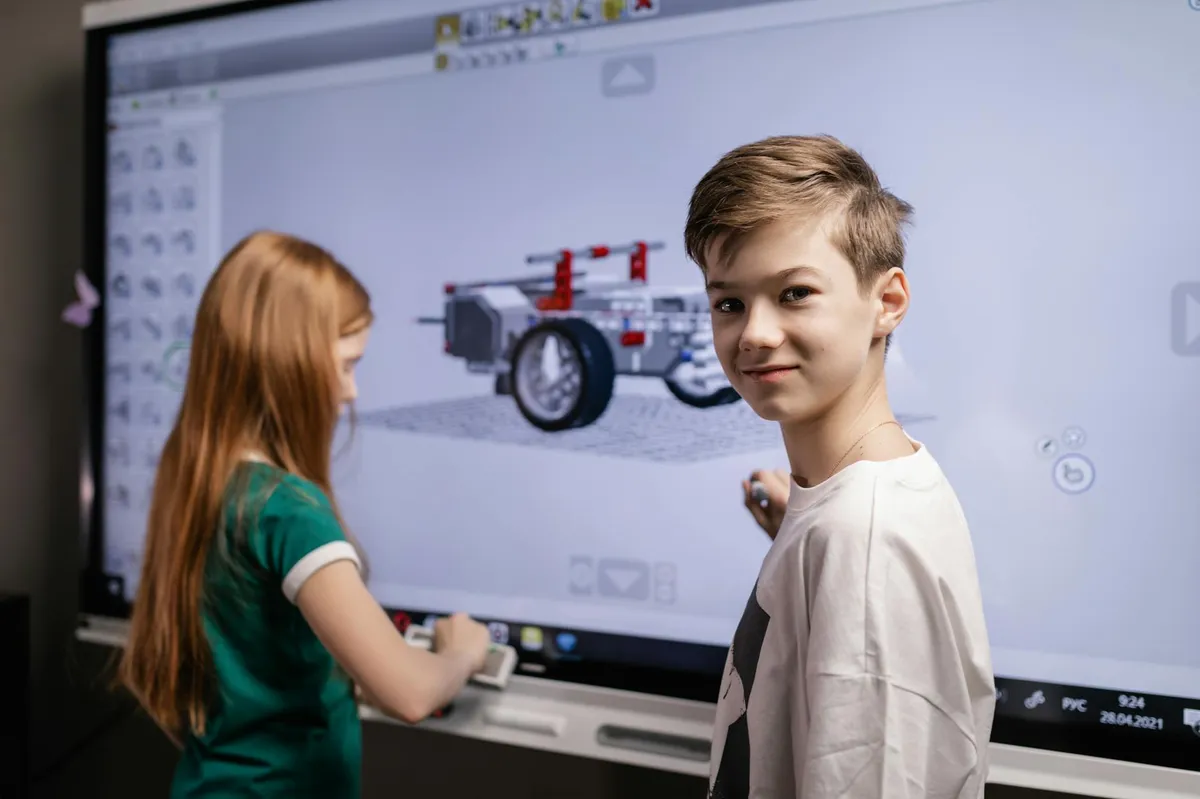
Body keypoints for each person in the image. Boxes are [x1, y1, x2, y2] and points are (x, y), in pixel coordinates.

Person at [118, 230, 492, 797]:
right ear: (288, 363)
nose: (351, 392)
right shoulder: (289, 512)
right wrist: (463, 654)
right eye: (345, 365)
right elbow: (410, 694)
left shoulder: (199, 479)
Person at [685, 135, 995, 798]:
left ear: (887, 302)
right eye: (729, 303)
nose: (754, 334)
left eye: (795, 293)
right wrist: (803, 540)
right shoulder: (853, 514)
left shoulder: (862, 541)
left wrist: (838, 550)